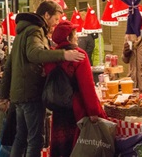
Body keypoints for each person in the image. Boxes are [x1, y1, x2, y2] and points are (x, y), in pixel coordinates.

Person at [0, 0, 85, 157]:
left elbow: (9, 66)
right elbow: (34, 53)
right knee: (35, 140)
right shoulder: (35, 31)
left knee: (21, 137)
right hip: (31, 93)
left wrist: (4, 95)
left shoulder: (21, 32)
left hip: (19, 95)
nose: (56, 24)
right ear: (46, 15)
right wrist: (64, 54)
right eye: (56, 19)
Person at [44, 20, 107, 157]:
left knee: (62, 149)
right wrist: (95, 112)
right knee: (77, 148)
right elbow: (87, 88)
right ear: (68, 37)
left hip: (58, 109)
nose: (77, 36)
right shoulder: (79, 55)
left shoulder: (51, 56)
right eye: (75, 33)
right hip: (77, 110)